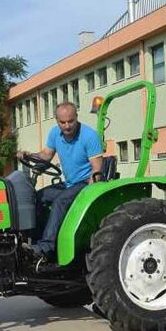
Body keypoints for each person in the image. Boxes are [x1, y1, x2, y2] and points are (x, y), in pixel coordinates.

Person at [17, 102, 103, 265]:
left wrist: (88, 197)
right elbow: (46, 155)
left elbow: (97, 170)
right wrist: (28, 155)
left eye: (70, 121)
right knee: (37, 197)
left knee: (61, 201)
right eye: (62, 122)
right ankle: (32, 242)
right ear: (57, 121)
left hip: (85, 183)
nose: (67, 126)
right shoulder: (55, 133)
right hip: (69, 183)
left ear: (76, 117)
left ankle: (45, 248)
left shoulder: (89, 136)